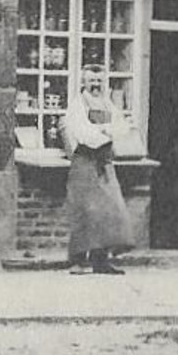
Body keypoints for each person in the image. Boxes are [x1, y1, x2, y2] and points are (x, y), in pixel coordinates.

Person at [64, 68, 135, 274]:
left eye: (98, 80)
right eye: (91, 81)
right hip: (85, 161)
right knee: (85, 210)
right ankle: (77, 260)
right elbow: (83, 133)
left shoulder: (107, 103)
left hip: (104, 163)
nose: (96, 85)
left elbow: (122, 127)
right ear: (83, 83)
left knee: (109, 210)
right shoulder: (78, 105)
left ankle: (100, 260)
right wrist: (105, 132)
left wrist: (106, 130)